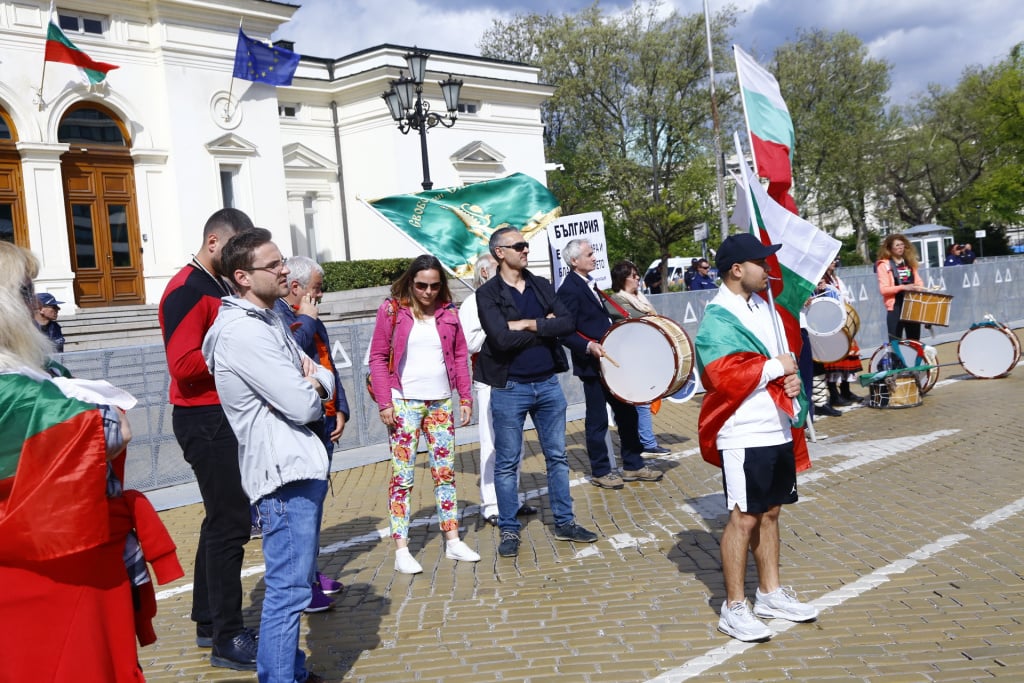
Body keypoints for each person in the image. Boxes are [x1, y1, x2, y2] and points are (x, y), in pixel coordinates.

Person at [0, 242, 183, 681]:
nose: (35, 303)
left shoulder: (28, 380)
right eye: (28, 291)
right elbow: (113, 430)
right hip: (63, 560)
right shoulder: (16, 390)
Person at [202, 228, 333, 683]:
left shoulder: (270, 317)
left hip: (297, 463)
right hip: (283, 473)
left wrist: (313, 384)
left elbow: (319, 375)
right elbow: (302, 401)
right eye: (273, 265)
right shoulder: (241, 333)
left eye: (282, 262)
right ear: (242, 276)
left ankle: (288, 671)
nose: (284, 270)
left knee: (291, 589)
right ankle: (280, 677)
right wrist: (312, 387)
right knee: (288, 591)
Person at [694, 233, 819, 643]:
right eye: (761, 263)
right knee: (743, 517)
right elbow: (720, 374)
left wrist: (792, 379)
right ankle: (733, 607)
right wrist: (773, 368)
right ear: (737, 269)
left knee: (771, 512)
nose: (769, 270)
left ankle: (769, 594)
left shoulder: (763, 305)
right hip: (742, 430)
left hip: (776, 425)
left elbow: (781, 357)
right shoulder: (718, 315)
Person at [158, 208, 257, 670]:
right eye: (235, 249)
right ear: (214, 243)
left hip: (219, 415)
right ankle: (226, 637)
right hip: (205, 419)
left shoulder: (213, 285)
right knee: (230, 525)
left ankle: (208, 620)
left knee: (221, 520)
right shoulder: (186, 289)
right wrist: (240, 355)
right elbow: (182, 365)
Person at [475, 226, 598, 558]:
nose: (525, 250)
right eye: (519, 246)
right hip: (510, 386)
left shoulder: (542, 285)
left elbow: (568, 323)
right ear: (500, 252)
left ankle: (564, 521)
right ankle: (510, 529)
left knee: (557, 457)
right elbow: (500, 339)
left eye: (526, 245)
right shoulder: (487, 294)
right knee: (506, 462)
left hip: (547, 384)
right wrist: (545, 326)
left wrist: (528, 324)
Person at [368, 254, 480, 574]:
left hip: (441, 403)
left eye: (434, 285)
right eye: (421, 285)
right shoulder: (392, 310)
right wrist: (385, 403)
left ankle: (453, 539)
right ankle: (402, 547)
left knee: (444, 473)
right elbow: (377, 357)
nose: (428, 292)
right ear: (410, 282)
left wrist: (465, 397)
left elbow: (459, 356)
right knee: (403, 477)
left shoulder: (449, 313)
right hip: (404, 403)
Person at [274, 255, 350, 612]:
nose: (321, 295)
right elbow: (293, 357)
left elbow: (326, 363)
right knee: (301, 511)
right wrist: (306, 318)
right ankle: (302, 585)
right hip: (300, 427)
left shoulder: (312, 317)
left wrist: (342, 408)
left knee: (315, 506)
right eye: (317, 288)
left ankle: (311, 572)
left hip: (325, 420)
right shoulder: (281, 316)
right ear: (296, 288)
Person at [557, 239, 663, 489]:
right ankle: (601, 470)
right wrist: (588, 346)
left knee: (627, 414)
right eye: (589, 254)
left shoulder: (590, 284)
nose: (594, 258)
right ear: (574, 261)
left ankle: (633, 465)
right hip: (593, 364)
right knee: (597, 419)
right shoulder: (569, 289)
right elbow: (564, 331)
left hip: (612, 362)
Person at [458, 252, 536, 526]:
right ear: (483, 273)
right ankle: (491, 504)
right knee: (492, 443)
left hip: (516, 376)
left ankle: (510, 497)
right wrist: (502, 330)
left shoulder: (508, 298)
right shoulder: (472, 302)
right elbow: (468, 343)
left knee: (515, 442)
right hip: (491, 378)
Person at [606, 259, 670, 456]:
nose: (637, 279)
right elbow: (636, 319)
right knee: (640, 403)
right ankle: (646, 443)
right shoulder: (617, 300)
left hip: (642, 357)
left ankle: (643, 441)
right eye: (633, 276)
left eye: (637, 275)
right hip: (628, 359)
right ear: (623, 279)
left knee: (644, 402)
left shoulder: (639, 297)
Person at [820, 258, 862, 407]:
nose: (834, 262)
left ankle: (845, 390)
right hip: (828, 323)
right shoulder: (819, 279)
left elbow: (844, 296)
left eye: (835, 259)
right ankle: (834, 394)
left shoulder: (835, 278)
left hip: (841, 322)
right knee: (833, 360)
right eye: (831, 259)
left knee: (847, 356)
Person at [875, 233, 925, 342]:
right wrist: (903, 287)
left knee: (915, 341)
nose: (900, 247)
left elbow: (918, 281)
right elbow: (884, 290)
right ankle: (896, 359)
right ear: (889, 248)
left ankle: (914, 359)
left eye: (902, 245)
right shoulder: (884, 265)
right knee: (895, 342)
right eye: (897, 245)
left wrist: (920, 288)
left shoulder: (909, 263)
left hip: (912, 305)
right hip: (896, 307)